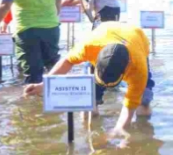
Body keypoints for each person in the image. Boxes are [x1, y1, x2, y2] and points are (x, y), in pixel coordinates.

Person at [24, 22, 155, 134]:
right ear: (95, 63)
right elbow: (67, 62)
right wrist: (43, 85)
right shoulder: (88, 47)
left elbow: (129, 107)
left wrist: (118, 132)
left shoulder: (138, 68)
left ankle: (144, 127)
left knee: (143, 100)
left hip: (136, 37)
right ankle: (90, 127)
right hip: (104, 32)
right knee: (89, 103)